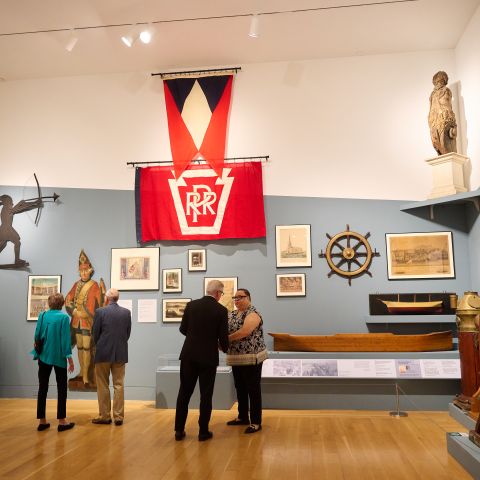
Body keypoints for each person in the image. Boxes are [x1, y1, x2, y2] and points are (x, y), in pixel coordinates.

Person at [174, 279, 229, 442]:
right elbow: (223, 337)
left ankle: (178, 430)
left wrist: (195, 338)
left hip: (189, 355)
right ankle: (203, 432)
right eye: (222, 293)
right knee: (206, 395)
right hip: (208, 357)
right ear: (218, 293)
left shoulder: (191, 306)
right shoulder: (221, 310)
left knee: (184, 392)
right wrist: (224, 348)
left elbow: (183, 329)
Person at [31, 293, 75, 432]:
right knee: (61, 388)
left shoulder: (42, 315)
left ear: (49, 303)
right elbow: (65, 340)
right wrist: (70, 359)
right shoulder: (63, 317)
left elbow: (37, 335)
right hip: (59, 358)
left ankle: (42, 421)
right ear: (62, 304)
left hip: (43, 356)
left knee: (42, 387)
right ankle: (62, 421)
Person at [226, 288, 268, 434]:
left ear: (248, 298)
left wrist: (225, 340)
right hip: (236, 357)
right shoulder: (231, 314)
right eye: (235, 298)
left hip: (251, 357)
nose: (237, 300)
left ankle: (256, 422)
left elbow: (245, 331)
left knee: (253, 389)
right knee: (240, 387)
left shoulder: (253, 313)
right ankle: (242, 416)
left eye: (240, 297)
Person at [91, 288, 132, 426]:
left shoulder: (100, 312)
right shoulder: (126, 313)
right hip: (120, 352)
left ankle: (105, 416)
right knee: (119, 384)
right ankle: (119, 417)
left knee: (102, 384)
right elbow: (127, 334)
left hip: (103, 352)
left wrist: (101, 344)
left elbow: (95, 333)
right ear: (117, 299)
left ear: (107, 298)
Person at [65, 249, 104, 388]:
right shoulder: (76, 284)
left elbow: (99, 304)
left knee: (87, 348)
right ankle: (82, 373)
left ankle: (87, 376)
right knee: (80, 348)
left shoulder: (94, 286)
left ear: (90, 270)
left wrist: (87, 313)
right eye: (81, 271)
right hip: (76, 321)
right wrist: (74, 310)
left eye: (85, 270)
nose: (83, 273)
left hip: (88, 322)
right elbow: (68, 299)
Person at [0, 194, 42, 267]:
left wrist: (34, 203)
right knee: (17, 242)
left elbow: (21, 208)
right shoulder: (6, 208)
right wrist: (33, 203)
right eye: (10, 201)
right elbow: (18, 209)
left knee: (3, 244)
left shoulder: (5, 207)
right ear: (6, 202)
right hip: (6, 229)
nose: (12, 203)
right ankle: (17, 260)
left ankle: (17, 260)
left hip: (4, 229)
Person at [428, 70, 458, 155]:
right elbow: (431, 107)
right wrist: (430, 118)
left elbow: (448, 105)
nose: (438, 83)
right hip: (434, 119)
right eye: (436, 81)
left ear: (444, 81)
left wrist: (449, 118)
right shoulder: (432, 94)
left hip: (445, 118)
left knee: (444, 140)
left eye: (441, 81)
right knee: (435, 141)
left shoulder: (446, 90)